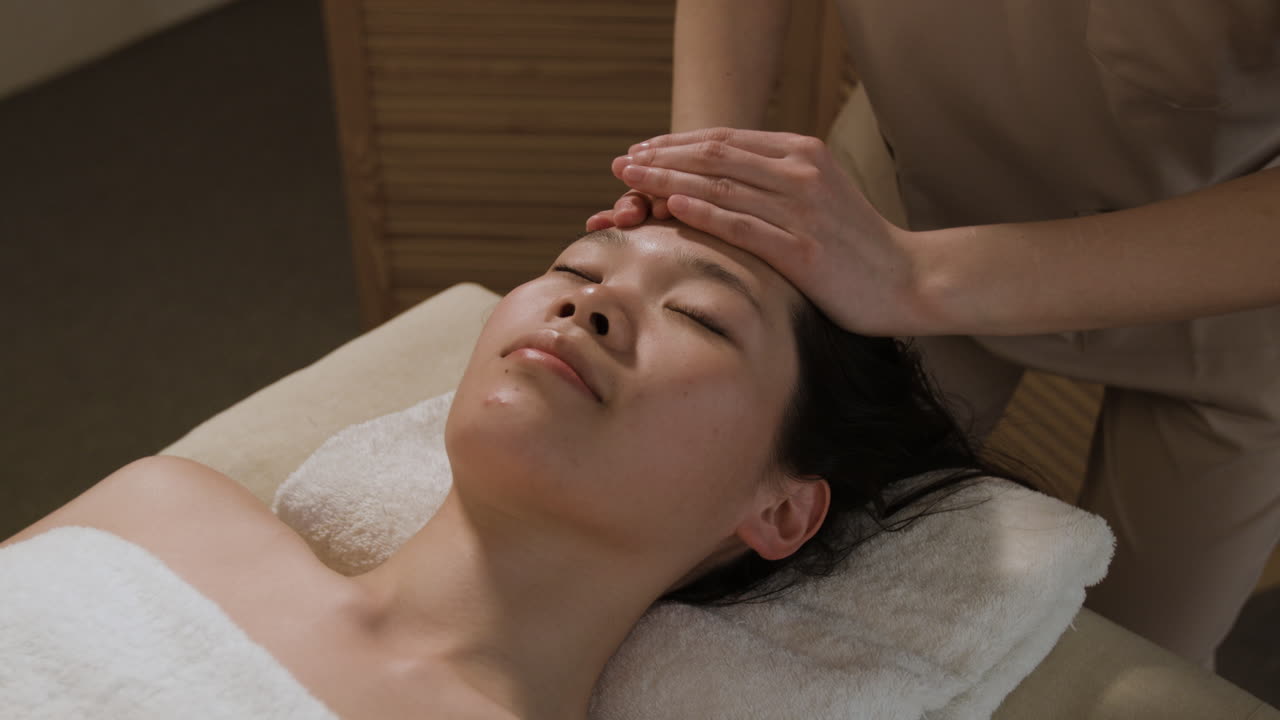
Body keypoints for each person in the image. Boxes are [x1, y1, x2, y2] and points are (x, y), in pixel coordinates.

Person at [2, 220, 1031, 720]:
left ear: (780, 508)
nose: (588, 302)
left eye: (702, 317)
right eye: (575, 271)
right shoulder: (163, 509)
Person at [585, 0, 1280, 672]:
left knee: (1146, 661)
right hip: (914, 181)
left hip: (1223, 279)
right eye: (576, 274)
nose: (585, 310)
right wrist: (702, 193)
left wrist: (913, 277)